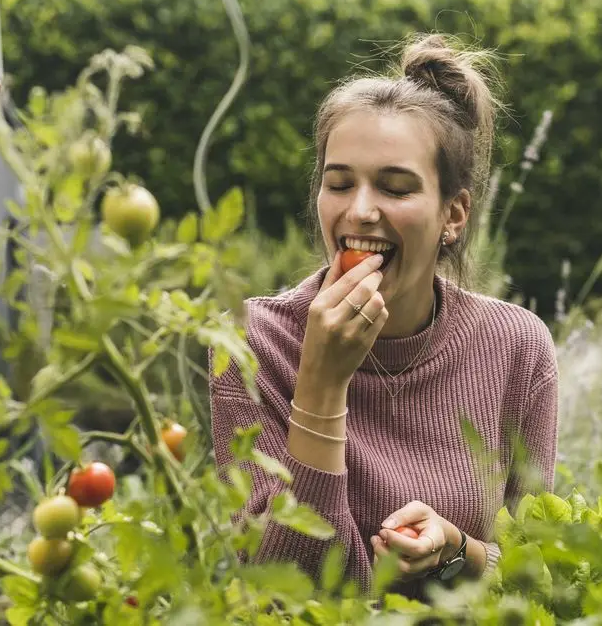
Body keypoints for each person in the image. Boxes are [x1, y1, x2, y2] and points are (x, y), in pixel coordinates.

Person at [209, 33, 558, 598]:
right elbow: (272, 592)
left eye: (395, 188)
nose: (361, 211)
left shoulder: (516, 345)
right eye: (339, 183)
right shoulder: (253, 341)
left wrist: (455, 550)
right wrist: (321, 384)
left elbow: (541, 574)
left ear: (454, 213)